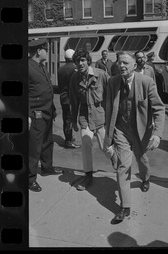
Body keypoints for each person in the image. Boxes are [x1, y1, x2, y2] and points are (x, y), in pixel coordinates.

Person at [104, 51, 165, 222]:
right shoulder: (112, 82)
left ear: (134, 65)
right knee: (123, 165)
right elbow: (107, 107)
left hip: (141, 130)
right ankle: (125, 207)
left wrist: (157, 134)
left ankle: (145, 178)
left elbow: (159, 109)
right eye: (119, 62)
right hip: (120, 129)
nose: (121, 65)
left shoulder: (146, 82)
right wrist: (105, 132)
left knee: (141, 158)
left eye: (125, 63)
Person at [69, 48, 109, 191]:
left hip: (101, 116)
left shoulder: (101, 75)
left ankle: (121, 169)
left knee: (107, 148)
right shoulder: (75, 78)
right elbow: (74, 102)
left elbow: (112, 97)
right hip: (85, 116)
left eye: (82, 60)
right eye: (77, 61)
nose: (80, 63)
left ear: (88, 61)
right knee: (86, 143)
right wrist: (73, 120)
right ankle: (88, 176)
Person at [28, 39, 62, 192]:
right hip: (36, 113)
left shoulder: (41, 67)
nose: (47, 52)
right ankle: (30, 179)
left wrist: (53, 109)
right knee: (34, 147)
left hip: (48, 111)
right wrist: (27, 114)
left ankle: (47, 167)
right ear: (38, 51)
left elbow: (47, 89)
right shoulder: (27, 67)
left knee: (48, 142)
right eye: (45, 50)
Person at [57, 49, 80, 149]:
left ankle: (68, 137)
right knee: (69, 120)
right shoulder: (75, 68)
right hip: (71, 98)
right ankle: (68, 141)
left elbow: (59, 85)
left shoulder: (60, 69)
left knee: (66, 118)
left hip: (63, 97)